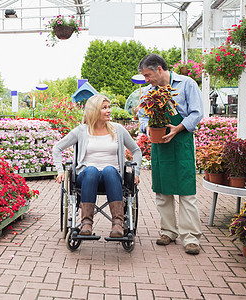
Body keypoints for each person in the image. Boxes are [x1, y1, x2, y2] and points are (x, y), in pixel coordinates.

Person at [137, 53, 204, 255]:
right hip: (160, 144)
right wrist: (146, 128)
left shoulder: (187, 84)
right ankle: (168, 231)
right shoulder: (148, 92)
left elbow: (197, 112)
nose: (146, 80)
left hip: (181, 141)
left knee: (186, 191)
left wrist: (179, 127)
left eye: (148, 75)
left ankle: (191, 237)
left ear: (159, 69)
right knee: (163, 191)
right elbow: (142, 115)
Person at [53, 95, 142, 238]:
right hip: (87, 177)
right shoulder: (81, 130)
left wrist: (136, 173)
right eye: (104, 108)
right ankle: (86, 223)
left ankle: (117, 224)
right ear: (94, 111)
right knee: (91, 170)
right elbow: (57, 148)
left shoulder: (118, 129)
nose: (109, 111)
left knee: (109, 170)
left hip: (112, 177)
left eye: (109, 107)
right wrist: (59, 171)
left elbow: (136, 150)